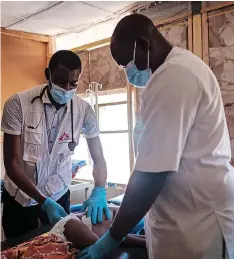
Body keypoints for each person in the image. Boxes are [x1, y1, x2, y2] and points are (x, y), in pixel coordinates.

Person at [77, 14, 234, 259]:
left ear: (143, 45)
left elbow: (151, 174)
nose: (126, 71)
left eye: (125, 63)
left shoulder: (175, 77)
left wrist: (110, 240)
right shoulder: (177, 69)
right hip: (181, 215)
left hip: (196, 225)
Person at [1, 50, 110, 239]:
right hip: (19, 198)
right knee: (19, 248)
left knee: (60, 246)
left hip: (58, 195)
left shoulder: (84, 111)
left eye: (73, 83)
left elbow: (98, 158)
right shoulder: (18, 104)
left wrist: (99, 189)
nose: (67, 88)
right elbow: (12, 164)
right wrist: (43, 201)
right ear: (47, 75)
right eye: (60, 82)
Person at [1, 205, 146, 258]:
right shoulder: (69, 224)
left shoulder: (75, 231)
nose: (102, 209)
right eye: (111, 210)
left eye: (112, 215)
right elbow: (107, 239)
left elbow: (112, 237)